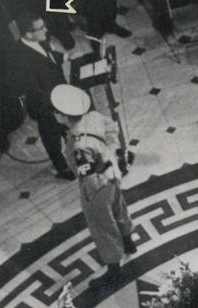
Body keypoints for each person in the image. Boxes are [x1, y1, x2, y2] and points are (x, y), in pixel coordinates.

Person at [52, 85, 136, 285]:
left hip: (97, 186)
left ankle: (114, 269)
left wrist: (89, 197)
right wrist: (112, 154)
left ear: (65, 116)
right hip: (112, 176)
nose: (54, 114)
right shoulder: (94, 117)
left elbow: (87, 176)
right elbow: (112, 129)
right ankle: (129, 243)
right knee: (119, 209)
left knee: (102, 225)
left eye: (57, 112)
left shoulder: (79, 146)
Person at [11, 14, 75, 180]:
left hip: (58, 95)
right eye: (41, 28)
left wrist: (66, 57)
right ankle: (62, 168)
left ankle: (74, 156)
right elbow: (34, 89)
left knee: (65, 129)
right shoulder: (20, 57)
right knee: (51, 135)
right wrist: (54, 109)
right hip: (44, 106)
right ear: (29, 34)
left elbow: (49, 57)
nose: (46, 30)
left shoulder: (40, 40)